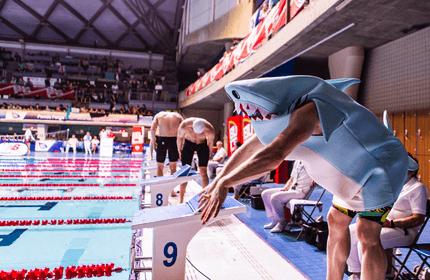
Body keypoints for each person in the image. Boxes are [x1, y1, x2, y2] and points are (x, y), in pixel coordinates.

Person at [198, 76, 409, 280]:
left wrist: (225, 183)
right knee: (335, 221)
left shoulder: (310, 111)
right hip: (355, 173)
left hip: (383, 166)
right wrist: (217, 181)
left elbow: (274, 155)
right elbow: (248, 149)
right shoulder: (276, 118)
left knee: (367, 234)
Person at [347, 154, 428, 280]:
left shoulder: (418, 188)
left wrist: (391, 224)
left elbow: (418, 218)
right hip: (385, 225)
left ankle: (368, 276)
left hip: (404, 231)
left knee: (366, 240)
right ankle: (356, 273)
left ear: (411, 172)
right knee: (351, 231)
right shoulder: (396, 186)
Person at [262, 161, 314, 233]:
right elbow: (292, 179)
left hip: (300, 192)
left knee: (275, 197)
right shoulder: (297, 161)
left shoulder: (311, 163)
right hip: (291, 189)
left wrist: (317, 180)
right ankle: (275, 220)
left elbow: (320, 175)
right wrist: (285, 189)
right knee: (265, 193)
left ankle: (282, 221)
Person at [177, 118, 215, 203]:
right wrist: (179, 150)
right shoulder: (184, 125)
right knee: (184, 172)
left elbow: (211, 142)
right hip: (188, 144)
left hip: (202, 144)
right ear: (192, 127)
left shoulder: (210, 129)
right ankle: (181, 200)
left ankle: (205, 198)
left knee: (203, 171)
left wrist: (208, 154)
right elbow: (179, 138)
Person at [150, 111, 184, 196]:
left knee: (160, 167)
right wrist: (181, 144)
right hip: (174, 141)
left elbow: (152, 129)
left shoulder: (159, 115)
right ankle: (171, 192)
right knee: (173, 167)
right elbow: (184, 130)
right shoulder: (178, 116)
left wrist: (154, 141)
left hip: (162, 140)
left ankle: (160, 190)